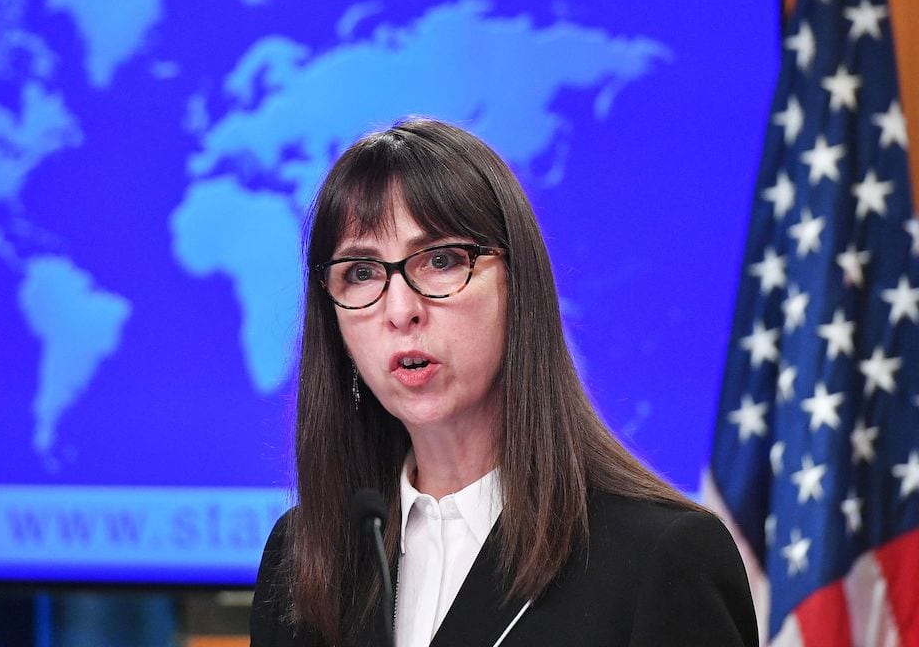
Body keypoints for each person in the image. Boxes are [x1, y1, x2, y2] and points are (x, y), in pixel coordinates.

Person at [249, 118, 757, 647]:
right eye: (361, 272)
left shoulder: (660, 557)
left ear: (519, 286)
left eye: (442, 261)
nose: (400, 310)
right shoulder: (304, 559)